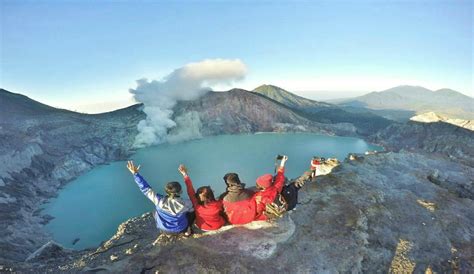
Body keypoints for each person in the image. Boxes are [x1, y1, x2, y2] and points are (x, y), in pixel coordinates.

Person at [126, 161, 193, 236]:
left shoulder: (159, 200)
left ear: (167, 191)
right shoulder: (187, 203)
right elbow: (192, 209)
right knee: (190, 213)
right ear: (180, 191)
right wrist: (185, 174)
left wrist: (135, 174)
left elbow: (145, 189)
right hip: (181, 229)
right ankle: (188, 231)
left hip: (164, 229)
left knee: (155, 212)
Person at [178, 164, 225, 231]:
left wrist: (185, 174)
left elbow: (190, 189)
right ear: (211, 195)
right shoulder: (218, 203)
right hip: (217, 225)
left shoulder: (196, 203)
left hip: (201, 226)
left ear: (197, 195)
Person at [253, 155, 288, 220]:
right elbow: (280, 176)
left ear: (262, 187)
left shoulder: (261, 197)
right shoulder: (276, 187)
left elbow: (258, 210)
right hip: (281, 208)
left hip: (270, 215)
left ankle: (270, 217)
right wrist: (282, 163)